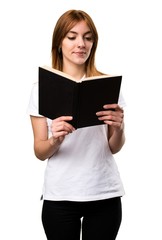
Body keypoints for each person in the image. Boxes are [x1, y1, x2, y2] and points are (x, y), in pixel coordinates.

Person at [27, 9, 126, 240]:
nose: (81, 43)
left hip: (103, 193)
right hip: (60, 195)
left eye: (88, 37)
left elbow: (114, 147)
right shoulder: (40, 89)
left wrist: (119, 128)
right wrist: (55, 139)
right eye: (72, 37)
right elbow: (40, 151)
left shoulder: (108, 86)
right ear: (59, 42)